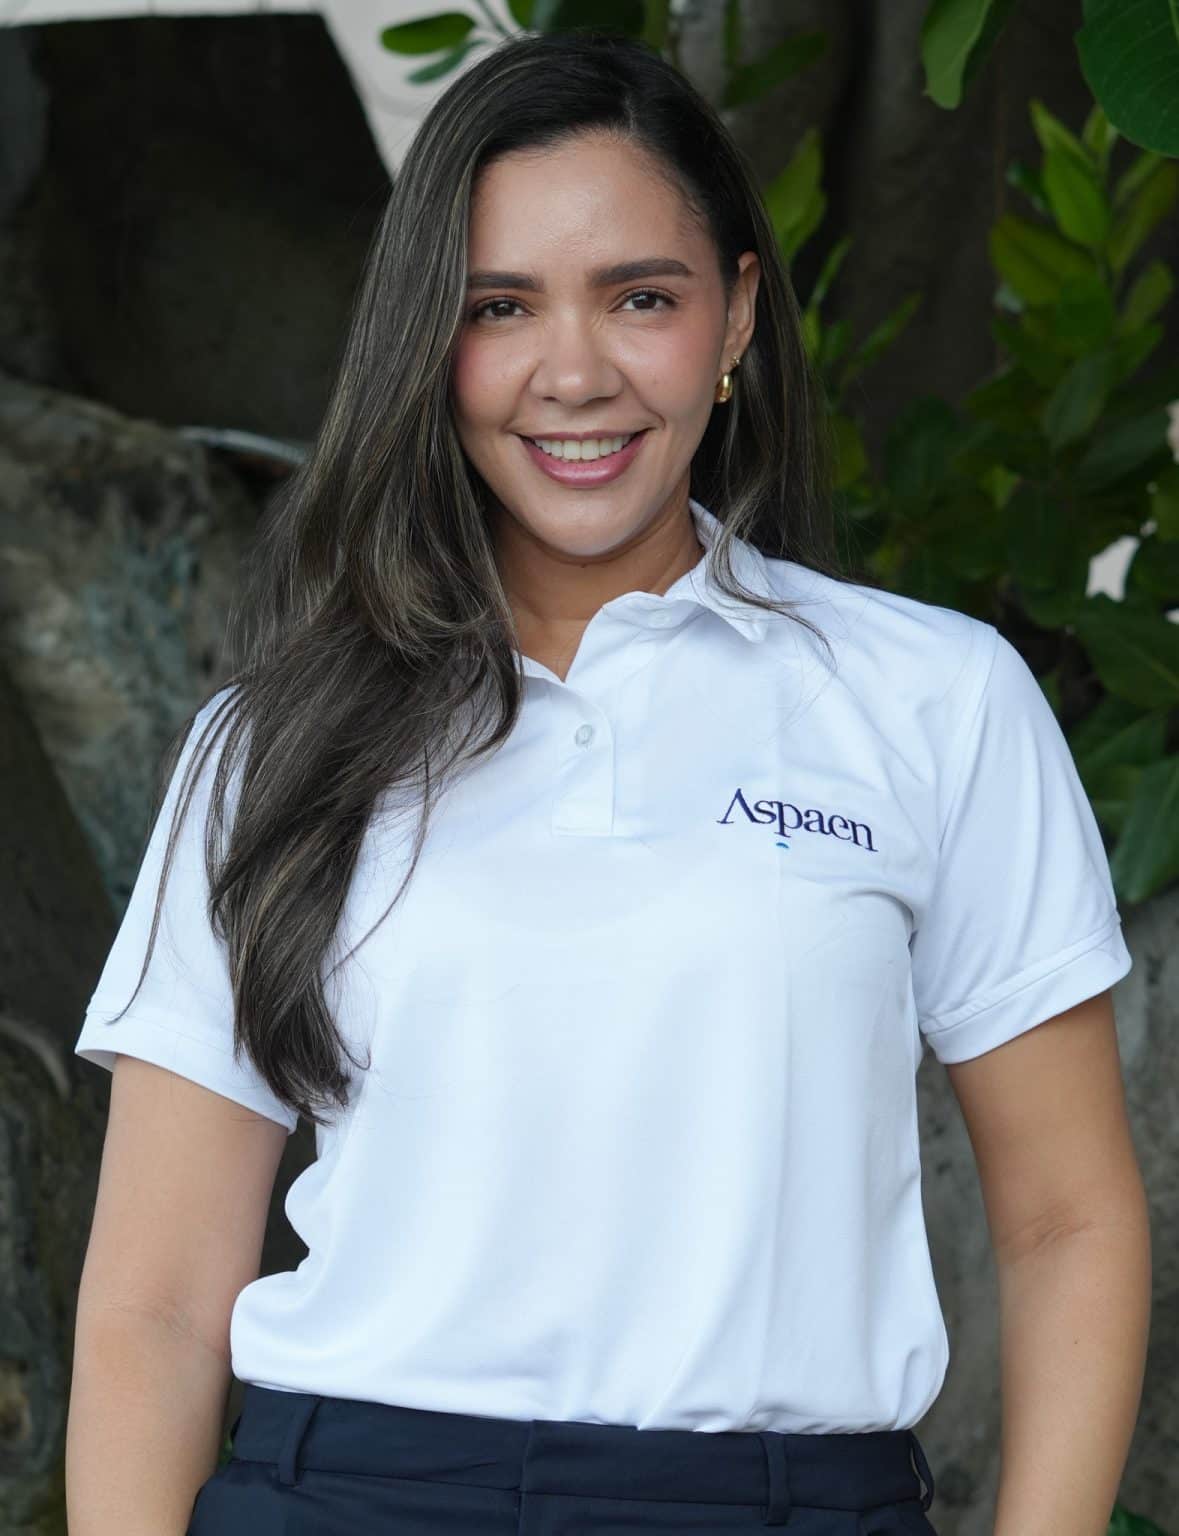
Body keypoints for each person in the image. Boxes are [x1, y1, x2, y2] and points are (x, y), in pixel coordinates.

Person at [66, 28, 1151, 1536]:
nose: (573, 373)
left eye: (642, 297)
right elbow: (158, 1306)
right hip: (352, 1496)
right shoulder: (274, 742)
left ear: (736, 316)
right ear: (425, 340)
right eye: (498, 306)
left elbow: (1068, 1221)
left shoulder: (934, 699)